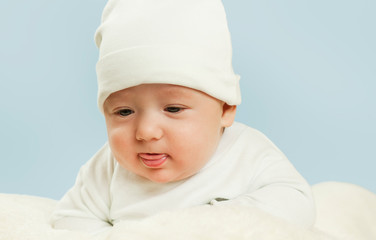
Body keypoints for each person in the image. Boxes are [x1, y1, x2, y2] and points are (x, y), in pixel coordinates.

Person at [50, 0, 315, 234]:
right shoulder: (107, 167)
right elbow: (72, 220)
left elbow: (296, 203)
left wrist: (215, 223)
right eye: (124, 111)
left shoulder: (247, 153)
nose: (146, 131)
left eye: (173, 109)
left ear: (225, 109)